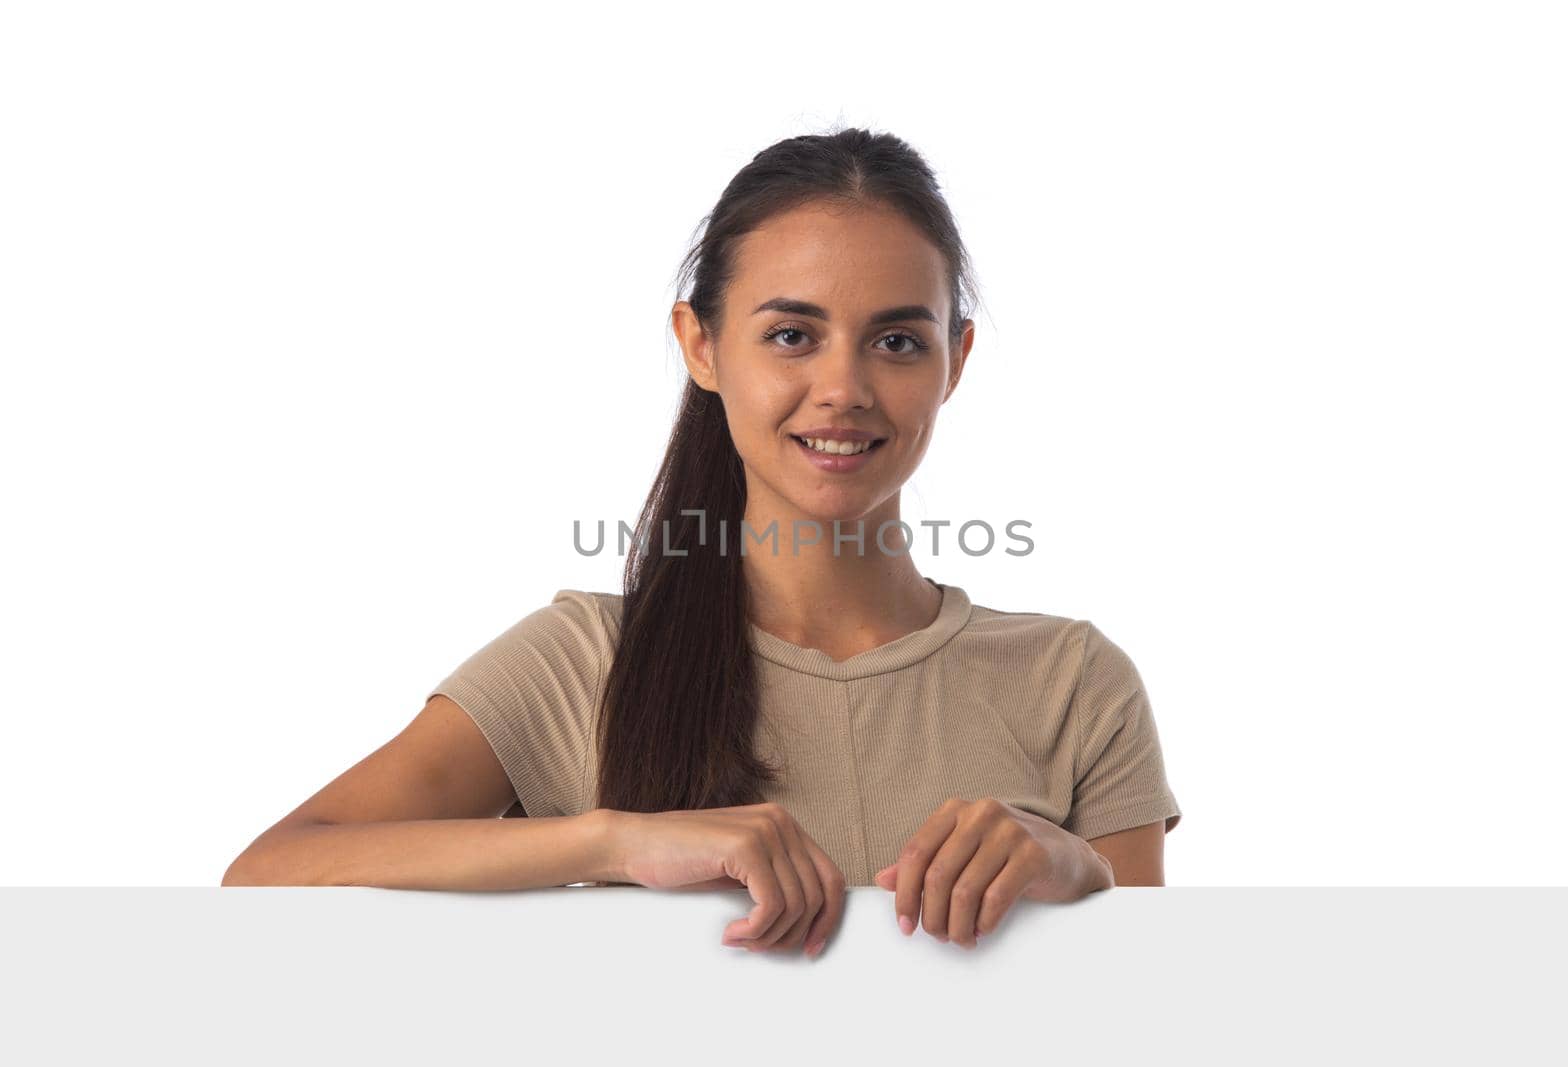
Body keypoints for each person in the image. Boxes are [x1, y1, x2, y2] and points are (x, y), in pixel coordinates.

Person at [221, 126, 1182, 962]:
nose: (844, 387)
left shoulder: (1073, 683)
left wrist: (1083, 872)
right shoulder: (583, 665)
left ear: (954, 360)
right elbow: (268, 875)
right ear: (701, 345)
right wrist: (611, 842)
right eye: (793, 335)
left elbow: (1161, 1015)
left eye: (896, 342)